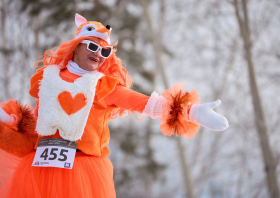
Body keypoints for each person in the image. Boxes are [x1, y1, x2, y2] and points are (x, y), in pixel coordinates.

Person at [0, 13, 228, 198]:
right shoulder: (48, 79)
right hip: (40, 171)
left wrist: (191, 111)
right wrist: (9, 120)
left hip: (83, 174)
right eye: (92, 46)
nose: (98, 53)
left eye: (105, 50)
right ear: (76, 46)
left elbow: (145, 104)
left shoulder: (103, 86)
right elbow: (36, 129)